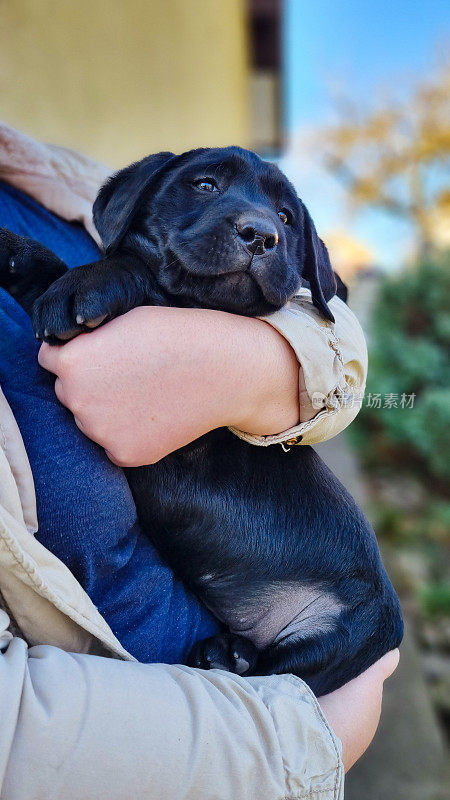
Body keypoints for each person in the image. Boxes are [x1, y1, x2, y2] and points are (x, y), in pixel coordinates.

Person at [0, 122, 398, 799]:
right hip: (216, 743)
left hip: (335, 612)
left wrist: (260, 370)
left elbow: (333, 326)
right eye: (206, 186)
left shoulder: (49, 174)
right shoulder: (114, 231)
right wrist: (309, 743)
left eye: (281, 218)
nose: (257, 223)